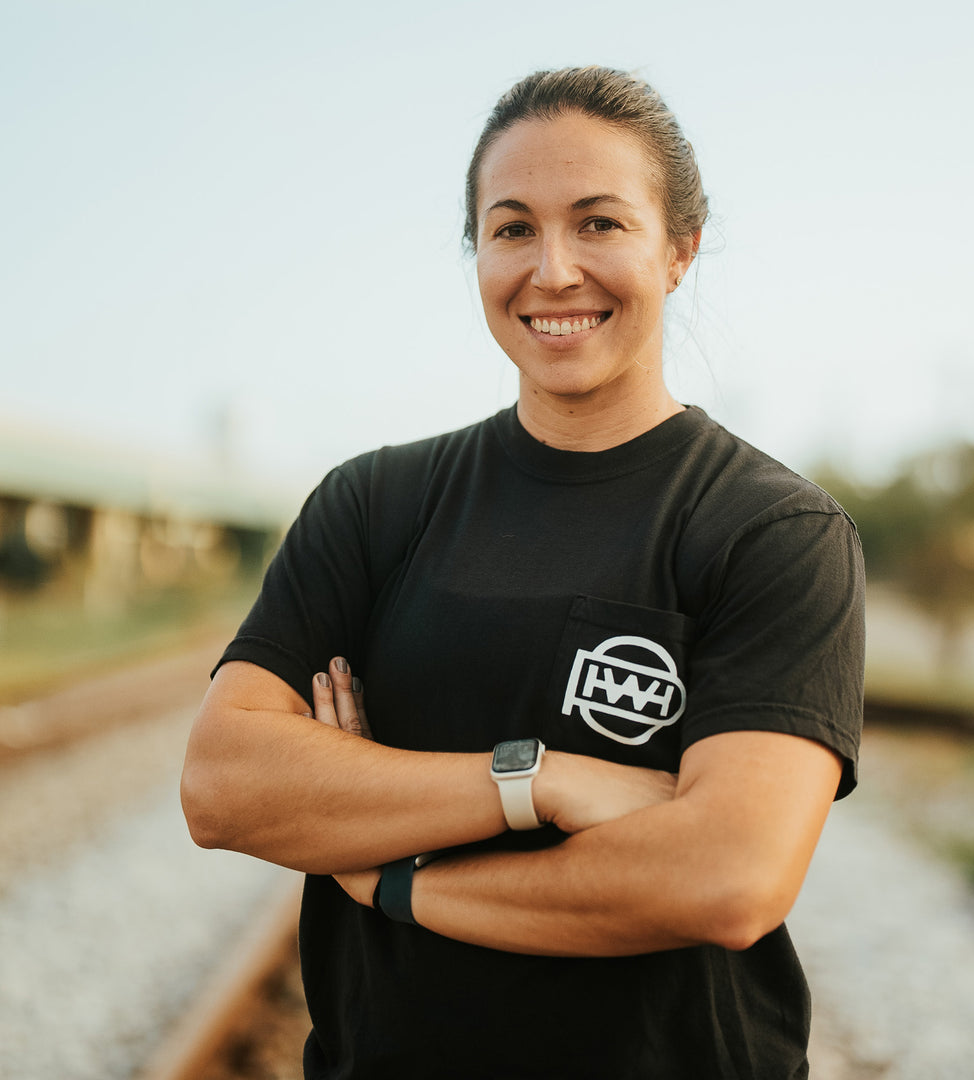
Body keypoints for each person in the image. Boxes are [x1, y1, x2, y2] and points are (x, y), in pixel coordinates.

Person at [181, 65, 864, 1079]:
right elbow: (224, 784)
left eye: (599, 223)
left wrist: (400, 883)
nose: (552, 271)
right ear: (477, 251)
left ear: (679, 248)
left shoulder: (771, 531)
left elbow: (729, 878)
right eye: (511, 229)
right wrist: (539, 781)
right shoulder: (374, 505)